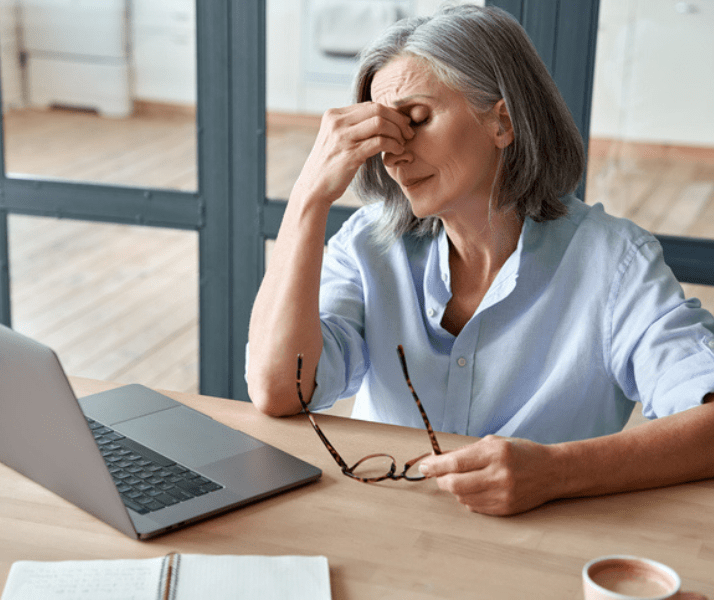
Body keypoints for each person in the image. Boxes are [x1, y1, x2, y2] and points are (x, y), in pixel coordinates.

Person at [245, 4, 714, 515]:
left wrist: (556, 471)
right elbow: (278, 392)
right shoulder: (368, 245)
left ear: (503, 121)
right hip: (392, 537)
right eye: (384, 132)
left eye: (417, 120)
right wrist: (308, 197)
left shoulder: (614, 264)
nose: (393, 153)